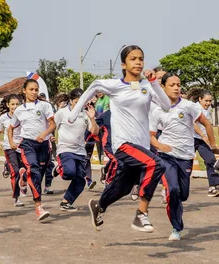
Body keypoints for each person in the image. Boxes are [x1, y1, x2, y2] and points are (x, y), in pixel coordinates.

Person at [68, 45, 171, 233]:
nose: (138, 62)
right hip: (123, 144)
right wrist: (74, 113)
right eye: (133, 59)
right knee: (157, 165)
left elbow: (166, 106)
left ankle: (99, 206)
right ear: (123, 64)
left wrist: (154, 81)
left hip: (141, 146)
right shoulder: (114, 85)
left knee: (123, 187)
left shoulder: (147, 86)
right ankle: (141, 214)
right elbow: (94, 86)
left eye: (141, 58)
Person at [150, 73, 217, 240]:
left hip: (186, 156)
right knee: (173, 190)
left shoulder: (189, 106)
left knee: (183, 194)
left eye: (178, 84)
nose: (176, 88)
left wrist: (213, 144)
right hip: (167, 156)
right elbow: (150, 135)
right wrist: (160, 146)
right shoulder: (157, 110)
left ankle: (175, 205)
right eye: (172, 85)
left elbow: (207, 123)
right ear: (164, 87)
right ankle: (176, 227)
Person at [8, 79, 56, 221]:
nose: (34, 92)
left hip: (44, 145)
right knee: (33, 169)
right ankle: (38, 207)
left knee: (38, 175)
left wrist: (44, 134)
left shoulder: (45, 106)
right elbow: (10, 128)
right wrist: (11, 142)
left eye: (36, 89)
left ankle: (23, 177)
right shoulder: (19, 110)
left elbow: (53, 125)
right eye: (31, 89)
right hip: (27, 144)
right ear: (24, 90)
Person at [53, 88, 99, 211]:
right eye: (77, 102)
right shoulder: (62, 113)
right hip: (65, 149)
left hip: (80, 151)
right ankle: (60, 167)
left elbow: (95, 131)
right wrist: (49, 136)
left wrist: (92, 118)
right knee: (69, 172)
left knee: (80, 181)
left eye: (82, 102)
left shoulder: (85, 114)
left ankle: (66, 202)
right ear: (72, 100)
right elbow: (52, 126)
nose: (80, 105)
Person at [189, 88, 219, 197]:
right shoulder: (195, 107)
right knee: (185, 164)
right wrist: (203, 135)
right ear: (200, 99)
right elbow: (193, 123)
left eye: (210, 101)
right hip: (190, 138)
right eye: (206, 101)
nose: (208, 103)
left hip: (201, 140)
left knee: (211, 160)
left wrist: (210, 141)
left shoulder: (208, 109)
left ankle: (213, 187)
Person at [0, 94, 27, 207]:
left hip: (22, 147)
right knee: (15, 172)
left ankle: (9, 168)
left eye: (17, 104)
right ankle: (16, 198)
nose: (15, 106)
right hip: (9, 148)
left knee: (27, 171)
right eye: (12, 104)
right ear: (8, 105)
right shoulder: (3, 118)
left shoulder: (24, 116)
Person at [38, 92, 57, 195]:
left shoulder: (49, 119)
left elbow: (50, 128)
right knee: (39, 168)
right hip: (37, 146)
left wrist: (51, 137)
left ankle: (46, 187)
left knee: (49, 166)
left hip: (47, 146)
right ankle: (37, 186)